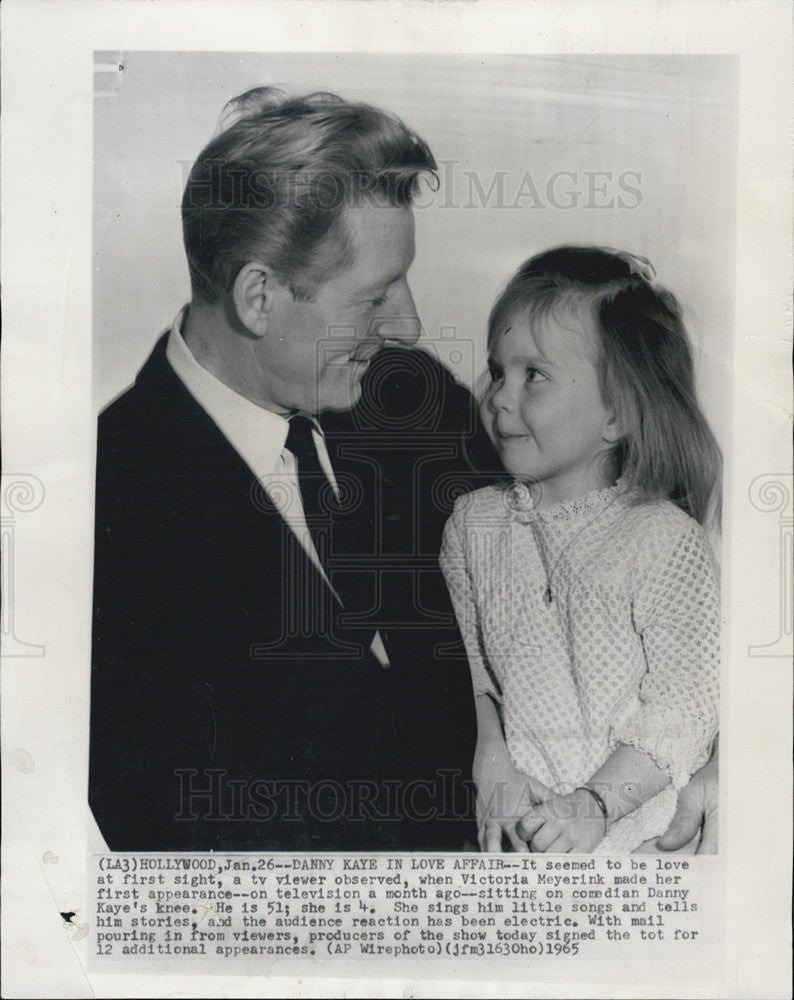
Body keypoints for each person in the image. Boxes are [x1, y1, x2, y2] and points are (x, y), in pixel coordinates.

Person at [89, 86, 497, 852]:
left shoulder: (423, 402)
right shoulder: (103, 511)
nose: (407, 324)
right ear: (259, 297)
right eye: (374, 297)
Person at [440, 246, 721, 853]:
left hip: (640, 840)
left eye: (533, 375)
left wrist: (593, 805)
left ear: (618, 414)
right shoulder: (472, 524)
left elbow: (686, 703)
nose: (499, 397)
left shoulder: (664, 538)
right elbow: (468, 670)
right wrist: (494, 759)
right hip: (520, 835)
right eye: (498, 371)